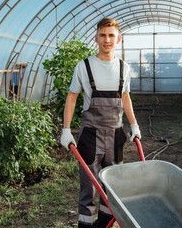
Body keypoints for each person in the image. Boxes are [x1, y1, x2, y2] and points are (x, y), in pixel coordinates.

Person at [60, 17, 141, 228]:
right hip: (90, 136)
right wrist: (66, 129)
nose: (107, 40)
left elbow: (125, 97)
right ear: (96, 38)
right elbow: (72, 97)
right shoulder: (84, 66)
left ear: (118, 39)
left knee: (112, 186)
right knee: (89, 187)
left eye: (111, 35)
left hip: (115, 135)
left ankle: (104, 223)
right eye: (103, 35)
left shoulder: (124, 68)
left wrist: (134, 125)